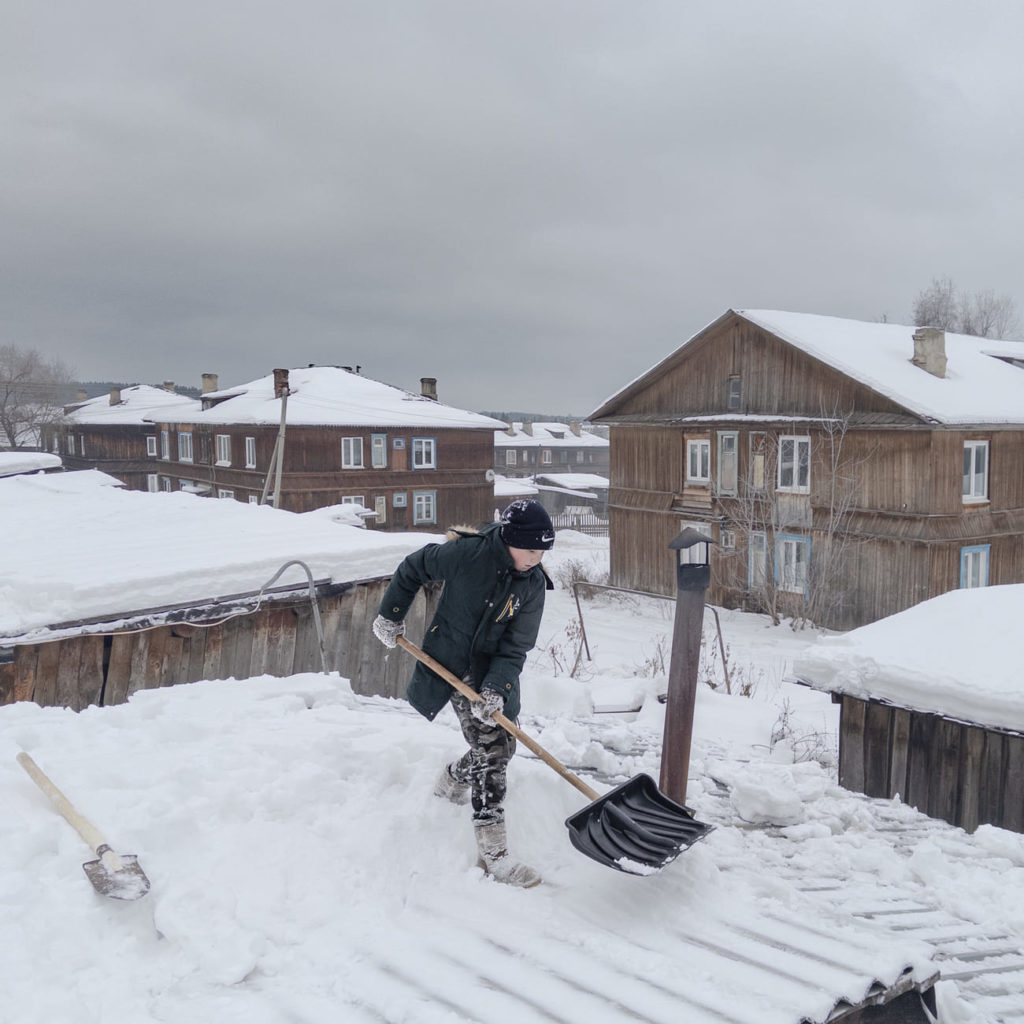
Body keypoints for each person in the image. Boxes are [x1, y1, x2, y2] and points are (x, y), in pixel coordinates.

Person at [372, 498, 555, 888]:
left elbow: (515, 648)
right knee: (491, 752)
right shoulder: (467, 555)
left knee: (504, 746)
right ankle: (494, 855)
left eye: (542, 552)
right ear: (509, 539)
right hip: (452, 664)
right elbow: (413, 568)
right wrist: (391, 615)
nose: (536, 559)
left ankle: (453, 778)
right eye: (531, 550)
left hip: (494, 671)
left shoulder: (534, 585)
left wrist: (496, 689)